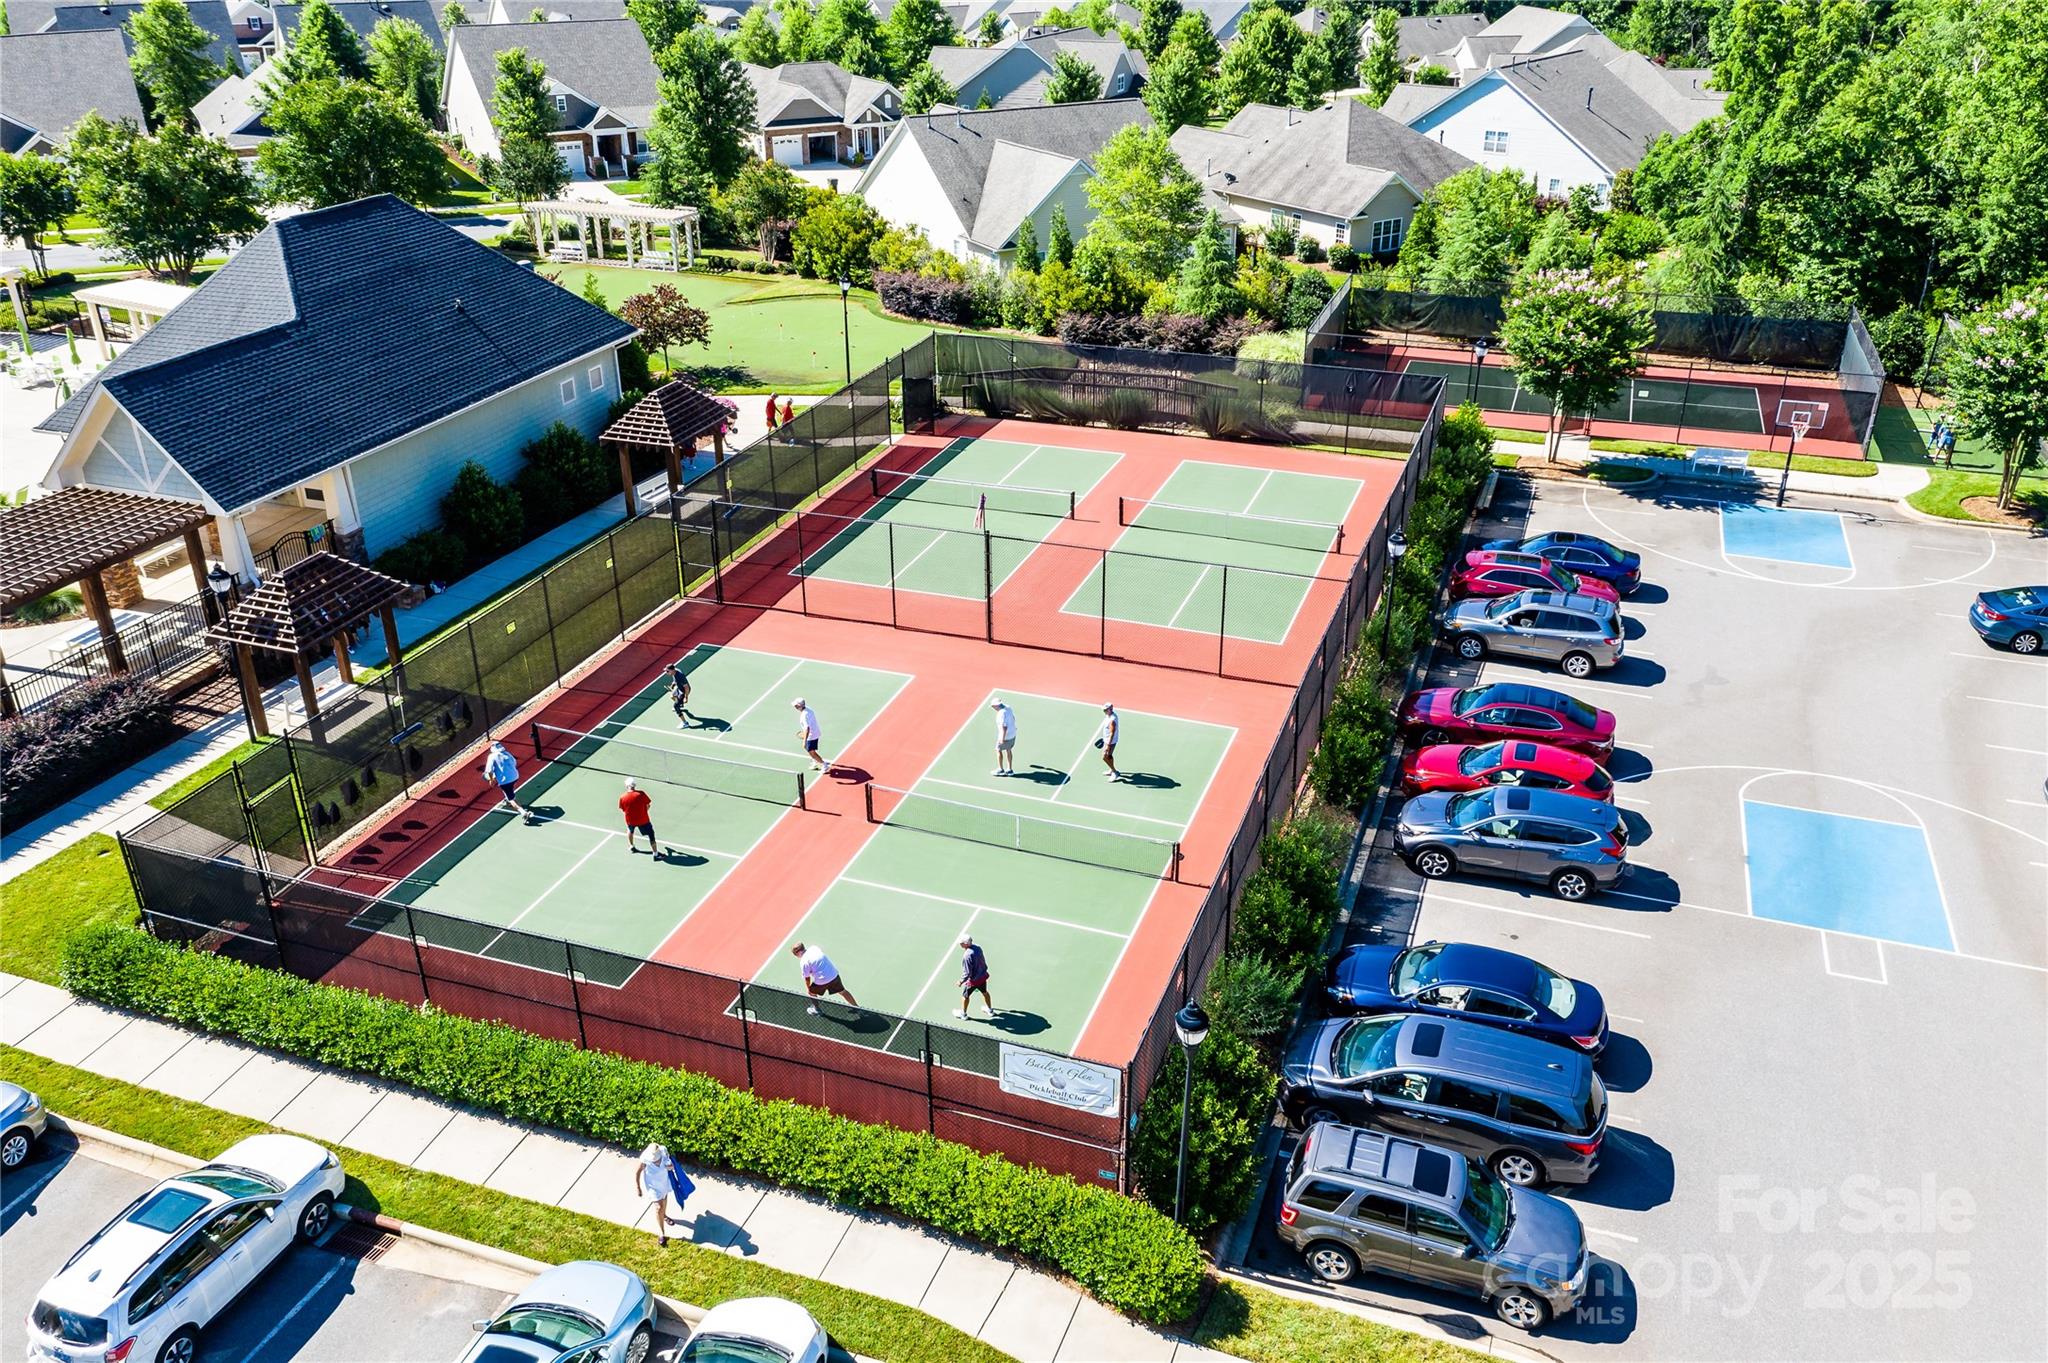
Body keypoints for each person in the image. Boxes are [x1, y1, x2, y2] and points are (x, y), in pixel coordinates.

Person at [635, 1143, 694, 1246]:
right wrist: (638, 1187)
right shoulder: (645, 1159)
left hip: (664, 1182)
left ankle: (664, 1216)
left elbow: (671, 1166)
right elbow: (637, 1172)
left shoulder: (663, 1151)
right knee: (658, 1207)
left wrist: (671, 1167)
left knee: (664, 1200)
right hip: (653, 1187)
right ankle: (661, 1233)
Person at [792, 941, 858, 1015]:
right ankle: (857, 1008)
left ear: (798, 952)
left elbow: (807, 978)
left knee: (811, 993)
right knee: (842, 991)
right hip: (833, 974)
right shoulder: (814, 948)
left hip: (822, 980)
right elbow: (818, 961)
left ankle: (816, 1009)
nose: (796, 956)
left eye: (795, 954)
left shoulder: (803, 962)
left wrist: (809, 989)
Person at [481, 740, 534, 822]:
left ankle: (523, 812)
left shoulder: (491, 756)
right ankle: (507, 799)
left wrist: (491, 779)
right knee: (510, 788)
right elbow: (514, 763)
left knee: (511, 799)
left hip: (505, 781)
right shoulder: (507, 753)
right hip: (515, 776)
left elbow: (489, 771)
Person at [954, 935, 994, 1020]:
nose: (960, 944)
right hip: (982, 977)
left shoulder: (967, 955)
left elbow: (967, 973)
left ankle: (963, 1014)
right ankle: (990, 1010)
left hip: (973, 981)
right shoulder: (978, 948)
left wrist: (960, 981)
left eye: (961, 943)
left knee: (965, 996)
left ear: (966, 944)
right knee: (985, 992)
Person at [619, 777, 661, 856]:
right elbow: (648, 805)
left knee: (630, 829)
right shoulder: (641, 794)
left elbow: (623, 809)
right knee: (651, 834)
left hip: (630, 820)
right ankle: (655, 854)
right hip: (643, 820)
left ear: (626, 786)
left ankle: (631, 846)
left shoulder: (622, 797)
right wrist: (643, 812)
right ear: (634, 785)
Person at [792, 696, 828, 772]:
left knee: (811, 752)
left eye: (796, 705)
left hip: (811, 736)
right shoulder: (808, 709)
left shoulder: (804, 716)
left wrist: (804, 741)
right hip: (815, 733)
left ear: (799, 706)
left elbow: (807, 728)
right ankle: (815, 762)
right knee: (811, 750)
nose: (795, 707)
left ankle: (824, 765)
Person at [990, 697, 1017, 776]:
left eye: (993, 706)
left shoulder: (1000, 714)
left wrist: (1002, 738)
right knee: (1009, 750)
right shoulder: (1008, 707)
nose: (993, 708)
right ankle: (1010, 770)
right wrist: (1013, 727)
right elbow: (1013, 718)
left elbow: (1004, 727)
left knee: (998, 750)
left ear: (996, 706)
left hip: (1005, 736)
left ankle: (1000, 769)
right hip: (1013, 734)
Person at [1095, 702, 1121, 781]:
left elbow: (1112, 733)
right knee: (1108, 756)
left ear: (1111, 709)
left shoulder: (1112, 720)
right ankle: (1111, 769)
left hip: (1110, 741)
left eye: (1106, 710)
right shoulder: (1108, 716)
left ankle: (1115, 772)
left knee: (1105, 757)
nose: (1105, 711)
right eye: (1104, 710)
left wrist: (1108, 745)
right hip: (1107, 740)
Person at [670, 658, 696, 728]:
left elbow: (686, 688)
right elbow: (675, 680)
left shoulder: (680, 676)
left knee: (676, 706)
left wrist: (686, 697)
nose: (666, 672)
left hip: (683, 691)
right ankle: (680, 704)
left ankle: (685, 723)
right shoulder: (674, 672)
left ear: (672, 670)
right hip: (679, 688)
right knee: (672, 696)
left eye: (667, 671)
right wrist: (673, 684)